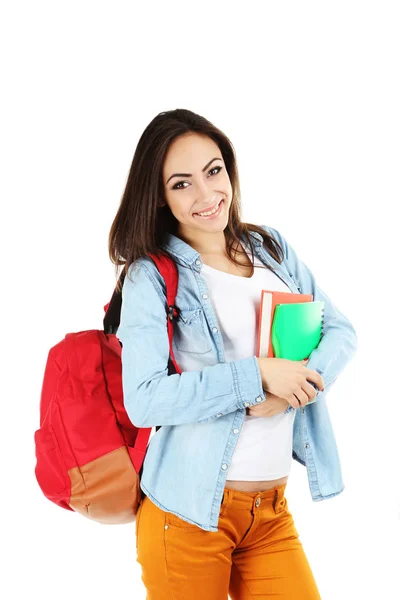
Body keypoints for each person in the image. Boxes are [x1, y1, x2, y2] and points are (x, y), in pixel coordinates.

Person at [109, 108, 357, 599]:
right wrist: (257, 376)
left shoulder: (271, 249)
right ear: (159, 196)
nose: (206, 195)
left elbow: (341, 332)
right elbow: (144, 398)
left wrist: (292, 392)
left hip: (270, 514)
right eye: (181, 184)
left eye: (213, 170)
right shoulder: (151, 277)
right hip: (187, 515)